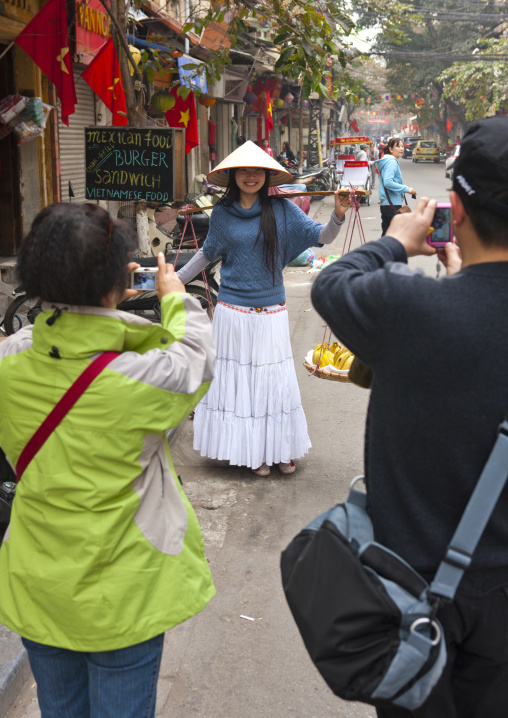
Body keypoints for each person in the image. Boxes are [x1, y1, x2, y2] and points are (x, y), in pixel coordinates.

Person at [311, 115, 508, 717]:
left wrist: (395, 240)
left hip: (411, 594)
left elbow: (333, 282)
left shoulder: (410, 308)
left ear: (456, 209)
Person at [0, 203, 215, 718]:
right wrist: (175, 300)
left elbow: (34, 339)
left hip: (39, 584)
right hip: (124, 592)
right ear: (119, 282)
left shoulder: (10, 363)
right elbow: (196, 359)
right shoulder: (141, 376)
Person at [176, 140, 351, 477]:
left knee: (274, 381)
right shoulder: (223, 214)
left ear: (268, 175)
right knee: (242, 382)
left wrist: (338, 215)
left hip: (271, 312)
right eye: (244, 169)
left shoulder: (282, 210)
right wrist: (173, 279)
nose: (251, 175)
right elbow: (207, 253)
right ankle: (252, 452)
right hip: (232, 313)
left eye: (258, 170)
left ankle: (280, 449)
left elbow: (323, 237)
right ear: (233, 175)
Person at [377, 137, 417, 234]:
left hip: (386, 204)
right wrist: (407, 189)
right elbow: (388, 182)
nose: (401, 149)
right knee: (394, 235)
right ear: (390, 149)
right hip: (392, 204)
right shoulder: (391, 162)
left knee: (387, 235)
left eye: (402, 146)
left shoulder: (386, 161)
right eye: (398, 146)